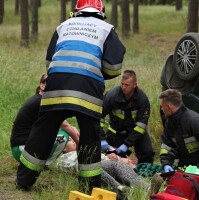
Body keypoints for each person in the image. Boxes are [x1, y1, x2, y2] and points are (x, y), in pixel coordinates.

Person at [15, 0, 126, 193]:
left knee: (43, 133)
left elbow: (50, 60)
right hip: (88, 89)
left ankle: (24, 181)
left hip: (56, 85)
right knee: (90, 139)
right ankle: (89, 188)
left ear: (77, 10)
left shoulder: (63, 26)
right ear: (101, 11)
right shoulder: (107, 29)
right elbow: (114, 67)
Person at [10, 74, 80, 165]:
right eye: (50, 84)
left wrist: (72, 129)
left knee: (63, 131)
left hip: (19, 149)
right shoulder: (43, 103)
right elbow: (65, 125)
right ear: (42, 86)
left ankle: (39, 162)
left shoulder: (39, 100)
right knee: (64, 135)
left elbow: (56, 124)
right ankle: (44, 163)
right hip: (22, 149)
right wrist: (79, 143)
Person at [158, 89, 199, 175]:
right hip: (191, 165)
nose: (162, 109)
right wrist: (166, 164)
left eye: (162, 106)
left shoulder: (195, 121)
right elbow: (166, 147)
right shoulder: (170, 123)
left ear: (169, 107)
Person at [101, 70, 154, 163]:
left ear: (135, 85)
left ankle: (147, 174)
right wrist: (101, 139)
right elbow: (98, 116)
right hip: (116, 131)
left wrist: (127, 144)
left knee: (147, 153)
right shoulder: (111, 96)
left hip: (136, 131)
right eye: (122, 84)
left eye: (127, 85)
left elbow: (141, 125)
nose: (123, 87)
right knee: (113, 158)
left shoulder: (142, 99)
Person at [56, 138, 150, 191]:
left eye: (73, 139)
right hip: (92, 170)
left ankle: (147, 187)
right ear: (63, 148)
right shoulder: (63, 159)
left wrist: (114, 157)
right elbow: (75, 166)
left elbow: (107, 157)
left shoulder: (87, 149)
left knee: (121, 166)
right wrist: (90, 158)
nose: (73, 140)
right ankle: (120, 188)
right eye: (69, 141)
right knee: (92, 166)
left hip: (109, 165)